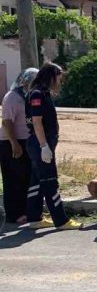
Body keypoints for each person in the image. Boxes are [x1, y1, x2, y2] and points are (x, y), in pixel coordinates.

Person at [25, 63, 81, 230]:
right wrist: (44, 146)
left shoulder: (43, 93)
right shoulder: (37, 94)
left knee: (37, 182)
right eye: (58, 78)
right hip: (40, 144)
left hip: (41, 144)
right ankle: (61, 220)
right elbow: (37, 122)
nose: (59, 82)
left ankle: (34, 218)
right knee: (50, 182)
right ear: (51, 77)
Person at [1, 68, 38, 225]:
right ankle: (14, 214)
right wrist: (14, 143)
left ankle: (25, 211)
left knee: (25, 178)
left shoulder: (28, 96)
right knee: (13, 179)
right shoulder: (12, 97)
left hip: (26, 141)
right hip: (12, 142)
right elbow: (7, 122)